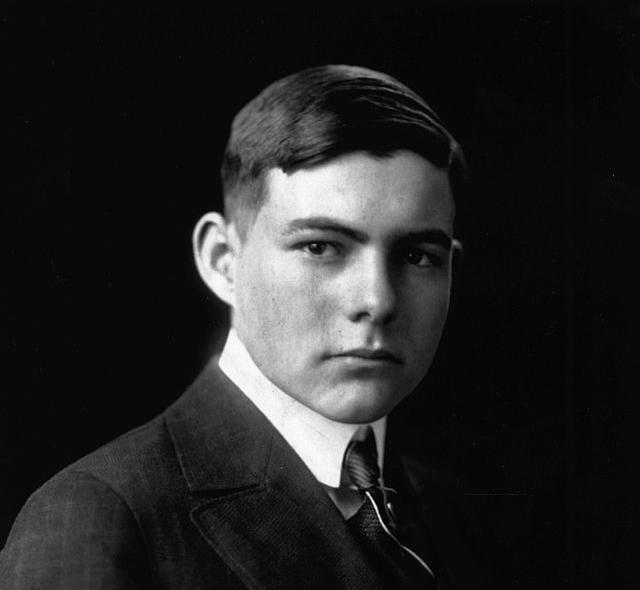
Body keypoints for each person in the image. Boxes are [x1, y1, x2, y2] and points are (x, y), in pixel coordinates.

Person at [0, 65, 489, 589]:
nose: (377, 301)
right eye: (320, 247)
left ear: (452, 270)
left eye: (417, 256)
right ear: (222, 261)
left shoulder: (458, 514)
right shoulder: (101, 517)